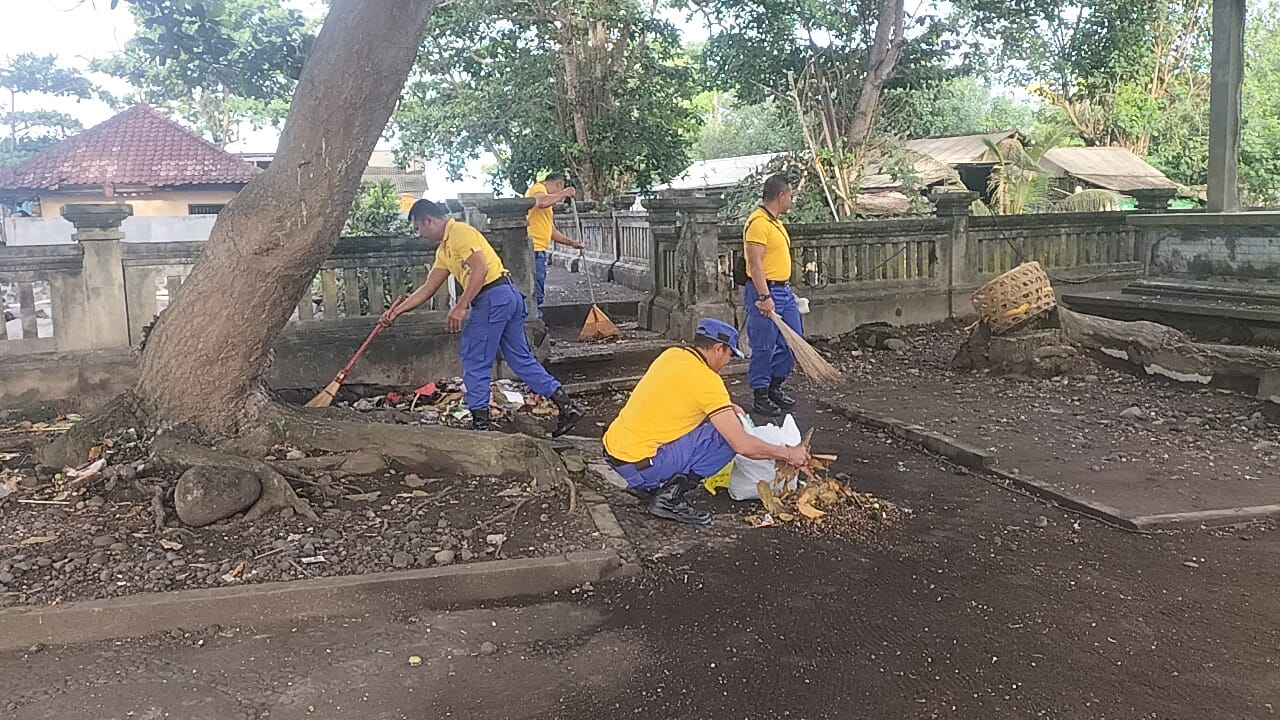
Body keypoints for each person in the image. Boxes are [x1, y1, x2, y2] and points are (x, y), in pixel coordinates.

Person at [380, 200, 584, 437]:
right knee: (520, 360)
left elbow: (480, 269)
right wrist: (397, 311)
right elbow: (428, 288)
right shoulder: (444, 249)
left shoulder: (459, 232)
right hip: (507, 295)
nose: (419, 235)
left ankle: (481, 425)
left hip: (492, 297)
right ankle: (567, 405)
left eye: (418, 228)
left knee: (475, 358)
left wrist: (461, 306)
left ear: (429, 220)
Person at [602, 318, 811, 525]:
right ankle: (669, 498)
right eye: (729, 354)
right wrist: (788, 453)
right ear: (719, 348)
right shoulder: (708, 381)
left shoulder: (672, 355)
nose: (728, 361)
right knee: (726, 437)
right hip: (644, 466)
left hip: (617, 454)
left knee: (717, 424)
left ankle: (650, 487)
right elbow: (742, 445)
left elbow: (682, 392)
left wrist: (727, 406)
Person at [743, 173, 802, 417]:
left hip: (782, 290)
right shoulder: (758, 223)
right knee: (764, 345)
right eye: (790, 195)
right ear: (781, 196)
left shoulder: (775, 222)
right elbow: (755, 263)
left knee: (793, 341)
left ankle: (774, 386)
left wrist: (787, 288)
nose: (791, 199)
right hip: (764, 290)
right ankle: (760, 394)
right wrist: (764, 296)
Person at [524, 172, 585, 318]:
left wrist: (573, 243)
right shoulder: (539, 189)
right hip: (534, 249)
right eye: (560, 189)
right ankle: (535, 323)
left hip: (540, 249)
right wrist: (564, 193)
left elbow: (551, 231)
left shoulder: (547, 203)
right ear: (558, 184)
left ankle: (536, 320)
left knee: (538, 288)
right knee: (536, 291)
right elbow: (540, 201)